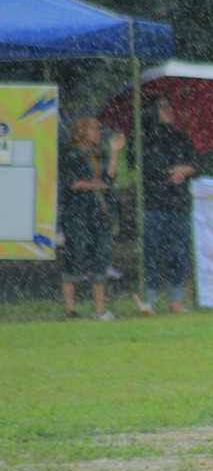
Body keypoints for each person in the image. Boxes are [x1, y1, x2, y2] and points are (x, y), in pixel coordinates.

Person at [134, 94, 198, 315]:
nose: (168, 110)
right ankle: (148, 302)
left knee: (179, 253)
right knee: (152, 252)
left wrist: (186, 170)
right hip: (154, 204)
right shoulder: (143, 140)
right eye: (162, 106)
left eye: (170, 106)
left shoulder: (181, 138)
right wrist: (168, 174)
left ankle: (176, 301)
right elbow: (145, 167)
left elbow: (196, 163)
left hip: (180, 204)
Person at [59, 116, 125, 320]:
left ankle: (99, 309)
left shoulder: (99, 154)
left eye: (99, 129)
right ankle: (70, 309)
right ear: (82, 131)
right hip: (78, 214)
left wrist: (114, 152)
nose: (98, 132)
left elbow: (110, 177)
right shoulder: (72, 155)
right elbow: (73, 183)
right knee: (75, 256)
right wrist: (98, 186)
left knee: (101, 258)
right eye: (94, 128)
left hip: (99, 214)